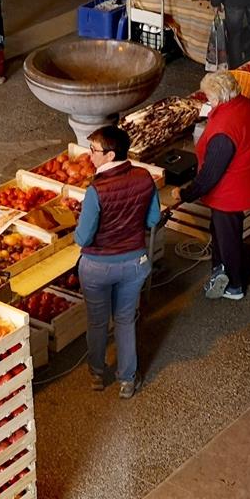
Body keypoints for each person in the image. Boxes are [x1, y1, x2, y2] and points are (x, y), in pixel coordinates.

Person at [75, 125, 161, 399]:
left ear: (110, 155)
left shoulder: (95, 190)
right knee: (125, 319)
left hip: (97, 267)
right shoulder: (144, 177)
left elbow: (84, 237)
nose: (90, 156)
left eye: (94, 151)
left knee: (98, 322)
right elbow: (152, 219)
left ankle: (97, 374)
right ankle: (127, 380)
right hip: (134, 263)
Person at [180, 71, 250, 301]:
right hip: (249, 179)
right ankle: (220, 268)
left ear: (220, 97)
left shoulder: (224, 129)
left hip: (230, 192)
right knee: (223, 231)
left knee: (227, 235)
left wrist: (186, 194)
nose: (208, 100)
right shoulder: (244, 105)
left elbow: (211, 174)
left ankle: (234, 284)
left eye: (209, 97)